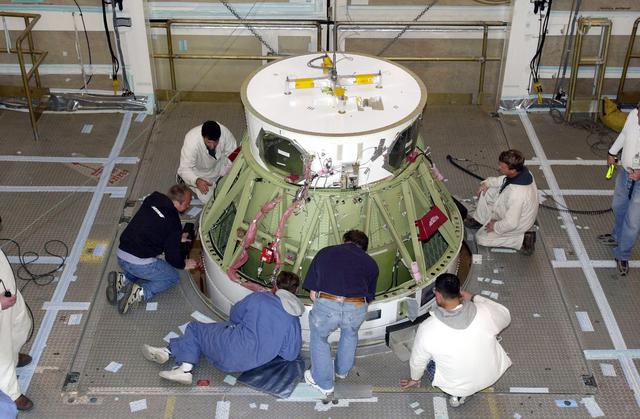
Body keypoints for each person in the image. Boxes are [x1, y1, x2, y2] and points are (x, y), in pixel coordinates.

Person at [141, 271, 304, 385]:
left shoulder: (259, 298)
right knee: (210, 333)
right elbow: (290, 355)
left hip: (229, 351)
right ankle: (168, 351)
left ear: (275, 285)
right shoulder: (293, 320)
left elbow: (235, 316)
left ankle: (185, 369)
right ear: (295, 291)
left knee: (196, 329)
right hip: (248, 364)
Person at [400, 273, 512, 407]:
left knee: (427, 358)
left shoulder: (427, 328)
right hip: (492, 374)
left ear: (438, 295)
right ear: (459, 291)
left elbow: (417, 361)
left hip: (458, 387)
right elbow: (505, 315)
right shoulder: (485, 311)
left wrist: (415, 378)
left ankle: (457, 395)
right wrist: (474, 297)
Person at [303, 230, 379, 396]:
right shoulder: (371, 264)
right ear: (364, 247)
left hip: (328, 303)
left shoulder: (325, 253)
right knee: (350, 335)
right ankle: (342, 371)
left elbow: (312, 293)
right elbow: (369, 296)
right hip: (357, 306)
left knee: (319, 338)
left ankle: (323, 383)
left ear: (345, 240)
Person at [106, 184, 198, 314]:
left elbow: (154, 225)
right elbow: (171, 257)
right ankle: (139, 292)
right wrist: (183, 264)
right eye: (187, 203)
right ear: (178, 202)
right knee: (172, 277)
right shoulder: (173, 222)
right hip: (139, 263)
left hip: (122, 254)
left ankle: (122, 279)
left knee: (138, 264)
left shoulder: (152, 199)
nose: (188, 206)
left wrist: (176, 237)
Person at [465, 149, 538, 254]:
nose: (499, 168)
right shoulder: (522, 172)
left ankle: (523, 239)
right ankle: (479, 219)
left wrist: (495, 226)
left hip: (517, 224)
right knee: (487, 190)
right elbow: (503, 179)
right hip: (515, 211)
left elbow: (511, 223)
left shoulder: (517, 194)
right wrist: (487, 183)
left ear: (512, 170)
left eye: (502, 166)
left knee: (481, 238)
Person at [599, 105, 640, 276]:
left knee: (633, 221)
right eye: (639, 111)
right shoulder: (633, 115)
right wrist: (612, 152)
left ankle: (623, 255)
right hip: (625, 173)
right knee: (618, 206)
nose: (638, 117)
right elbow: (624, 134)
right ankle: (617, 236)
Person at [0, 248, 34, 412]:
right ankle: (10, 394)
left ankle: (13, 357)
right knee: (2, 355)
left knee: (22, 324)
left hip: (6, 289)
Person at [177, 120, 237, 203]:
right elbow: (184, 169)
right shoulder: (191, 141)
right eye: (209, 142)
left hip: (220, 166)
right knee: (211, 200)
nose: (212, 146)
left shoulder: (224, 133)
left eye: (215, 142)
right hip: (201, 175)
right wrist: (197, 181)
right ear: (203, 137)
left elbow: (234, 152)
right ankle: (185, 180)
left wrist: (227, 170)